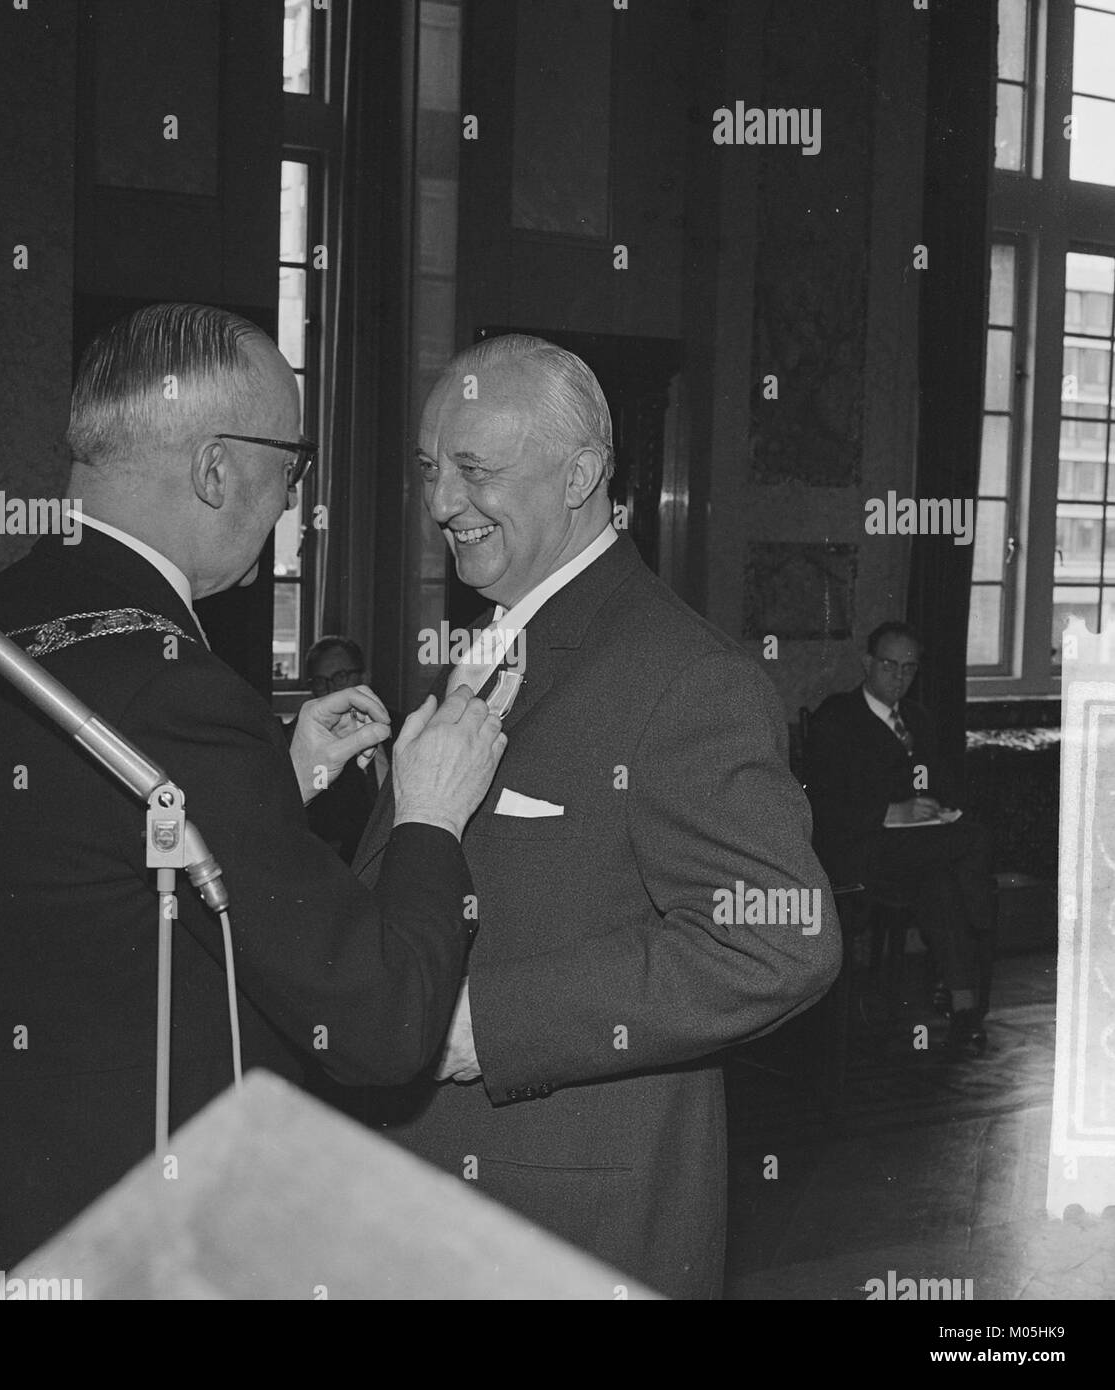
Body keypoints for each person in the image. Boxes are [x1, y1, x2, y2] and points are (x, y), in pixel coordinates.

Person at [0, 303, 505, 1299]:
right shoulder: (178, 689)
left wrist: (273, 776)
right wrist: (431, 813)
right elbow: (380, 1021)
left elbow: (77, 862)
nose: (292, 501)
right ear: (217, 469)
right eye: (292, 466)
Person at [350, 334, 840, 1299]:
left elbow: (783, 938)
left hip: (566, 1231)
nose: (442, 502)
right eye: (429, 468)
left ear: (580, 474)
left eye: (474, 469)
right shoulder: (497, 638)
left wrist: (479, 1027)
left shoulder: (683, 677)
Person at [802, 621, 995, 1057]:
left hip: (916, 855)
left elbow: (945, 783)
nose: (900, 677)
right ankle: (980, 928)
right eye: (890, 665)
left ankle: (965, 1010)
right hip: (859, 854)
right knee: (974, 842)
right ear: (868, 663)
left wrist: (945, 809)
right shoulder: (837, 718)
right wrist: (891, 813)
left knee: (943, 880)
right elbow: (820, 805)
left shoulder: (919, 719)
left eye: (910, 668)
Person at [301, 635, 388, 862]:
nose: (331, 690)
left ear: (364, 677)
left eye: (340, 677)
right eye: (320, 681)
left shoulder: (401, 726)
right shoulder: (304, 746)